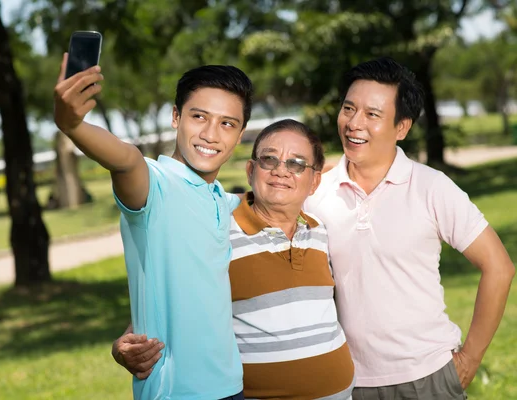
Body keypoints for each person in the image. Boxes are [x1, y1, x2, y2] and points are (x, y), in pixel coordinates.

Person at [304, 57, 515, 399]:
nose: (354, 123)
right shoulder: (315, 192)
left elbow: (499, 267)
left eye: (372, 114)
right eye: (348, 108)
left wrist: (471, 358)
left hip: (427, 377)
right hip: (345, 382)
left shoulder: (431, 187)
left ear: (401, 127)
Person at [54, 56, 253, 400]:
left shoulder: (220, 197)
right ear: (176, 117)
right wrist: (72, 124)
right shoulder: (154, 184)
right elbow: (125, 159)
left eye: (227, 123)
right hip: (177, 392)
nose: (210, 134)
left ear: (239, 134)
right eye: (199, 116)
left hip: (231, 386)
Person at [114, 119, 356, 399]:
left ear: (314, 181)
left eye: (296, 164)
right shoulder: (217, 229)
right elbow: (172, 299)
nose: (281, 171)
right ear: (251, 170)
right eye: (269, 159)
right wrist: (125, 345)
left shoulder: (319, 230)